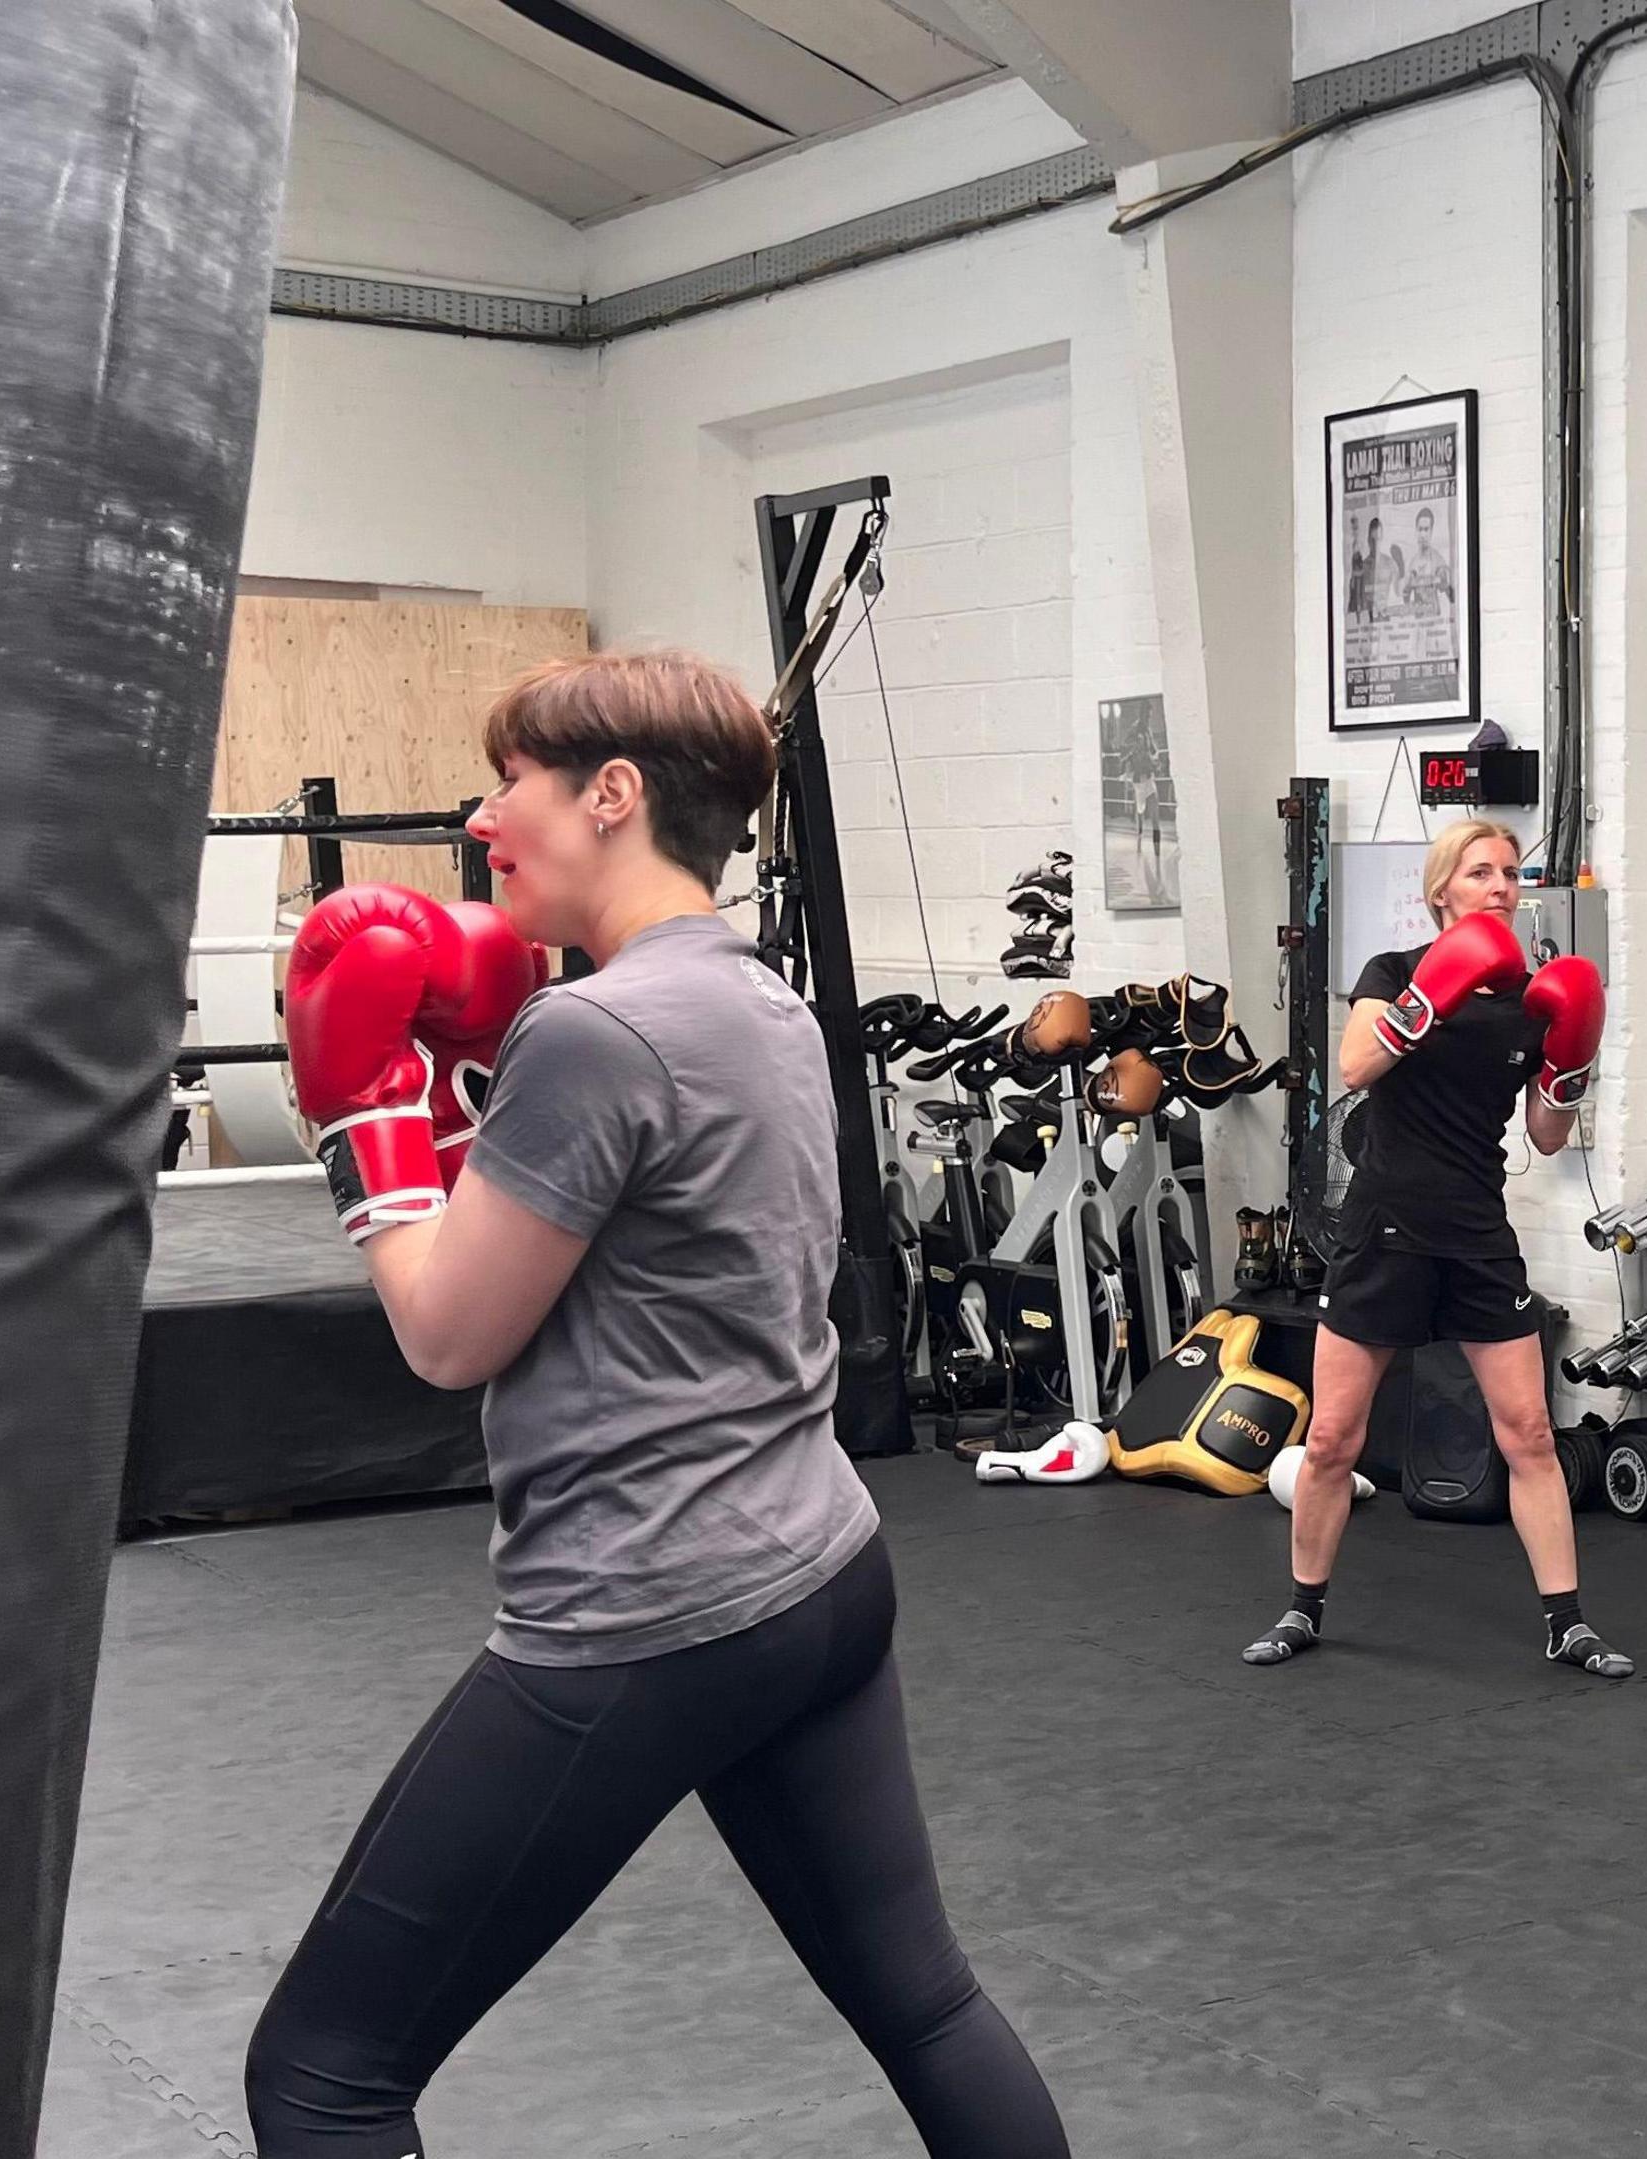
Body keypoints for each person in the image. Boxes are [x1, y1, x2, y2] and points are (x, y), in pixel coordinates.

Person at [243, 650, 1068, 2156]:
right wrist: (468, 1071)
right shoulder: (760, 1001)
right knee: (924, 1999)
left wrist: (365, 1115)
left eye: (515, 783)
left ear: (612, 793)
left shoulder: (590, 1033)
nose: (487, 820)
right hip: (819, 1569)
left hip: (648, 1606)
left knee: (321, 2068)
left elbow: (445, 1332)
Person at [1241, 818, 1624, 1678]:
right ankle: (1302, 1607)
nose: (1499, 885)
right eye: (1480, 871)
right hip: (1384, 1227)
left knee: (1527, 1431)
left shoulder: (1533, 1001)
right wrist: (1426, 1003)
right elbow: (1350, 1066)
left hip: (1477, 1233)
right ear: (1442, 888)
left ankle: (1567, 1621)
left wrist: (1572, 1063)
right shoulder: (1395, 973)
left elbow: (1548, 1135)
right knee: (1335, 1435)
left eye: (1510, 872)